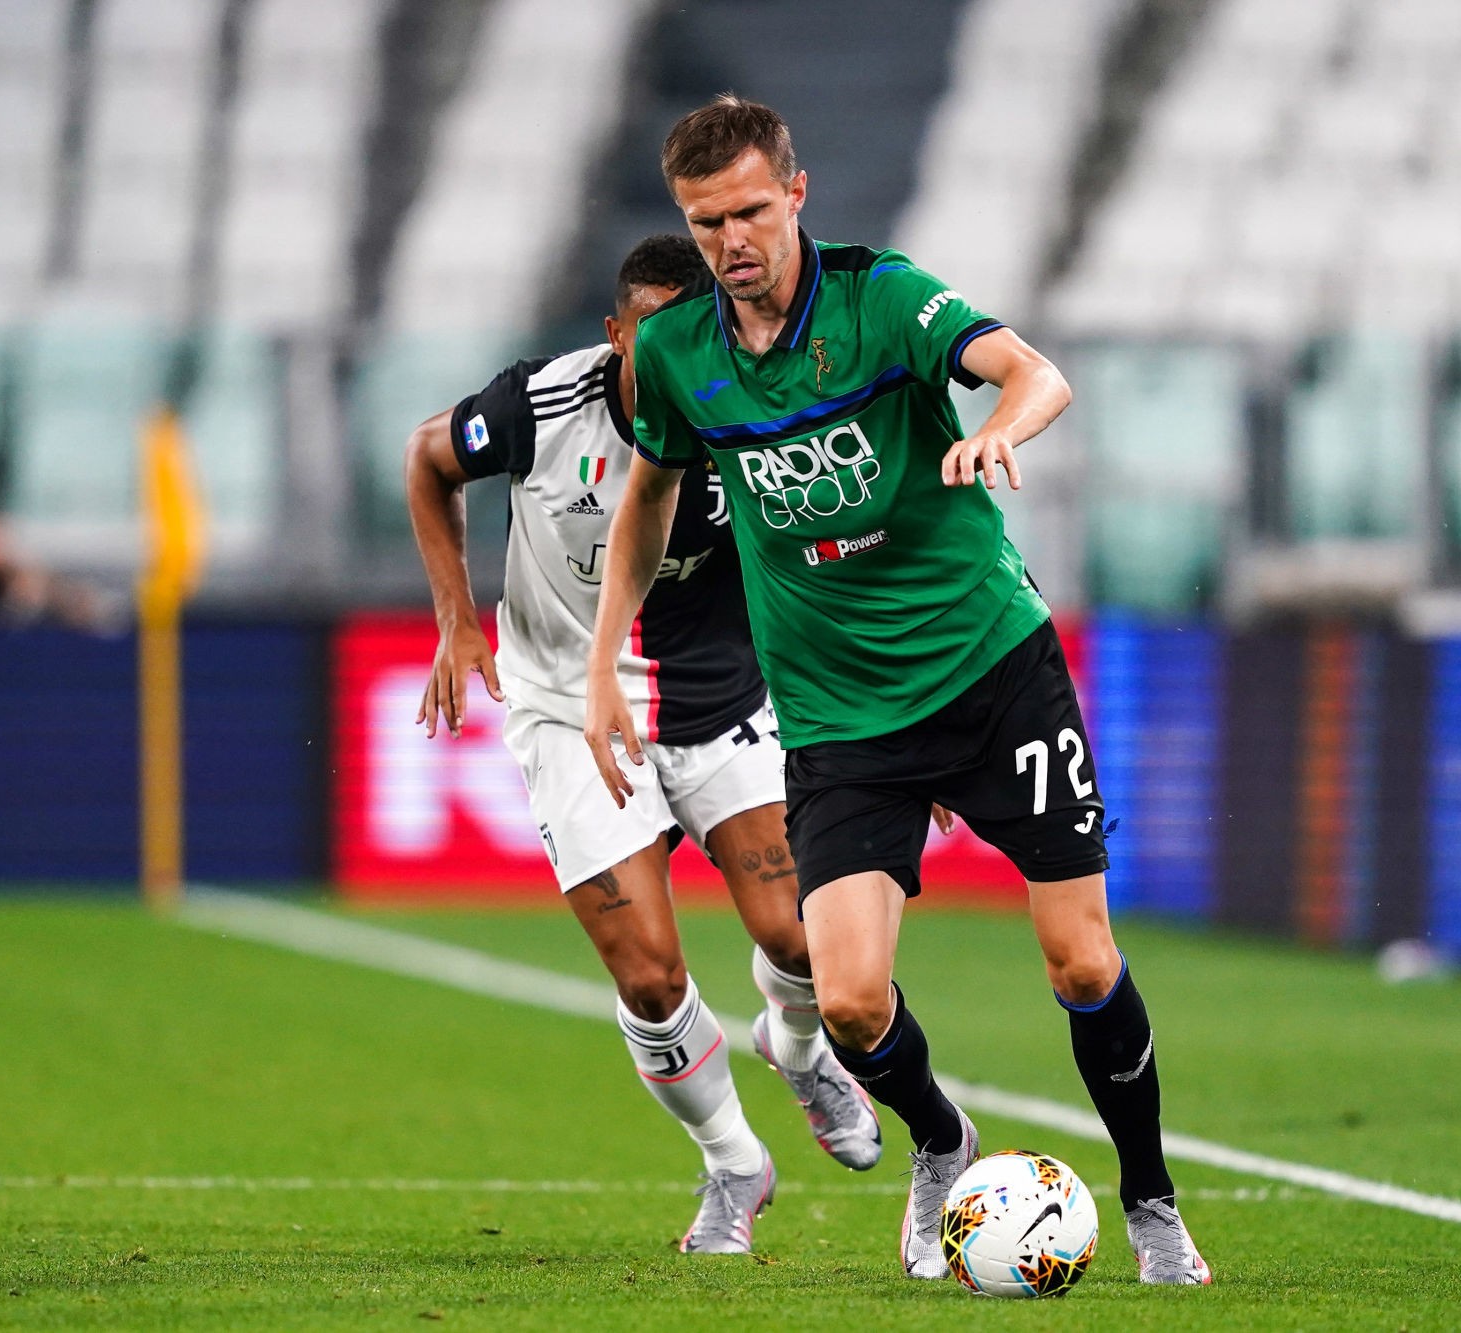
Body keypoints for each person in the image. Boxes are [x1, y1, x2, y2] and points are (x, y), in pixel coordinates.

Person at [582, 96, 1211, 1286]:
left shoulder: (882, 300)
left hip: (990, 672)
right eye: (707, 222)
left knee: (1080, 961)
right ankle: (941, 1143)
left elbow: (1033, 374)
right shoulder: (673, 354)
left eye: (752, 212)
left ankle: (1152, 1203)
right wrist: (603, 666)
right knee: (853, 1003)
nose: (732, 242)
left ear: (797, 194)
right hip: (835, 718)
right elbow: (649, 499)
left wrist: (994, 431)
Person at [405, 233, 882, 1255]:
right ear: (614, 335)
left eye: (694, 329)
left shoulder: (751, 404)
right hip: (570, 701)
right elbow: (427, 457)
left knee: (803, 937)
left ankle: (797, 1051)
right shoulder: (538, 405)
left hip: (717, 695)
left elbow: (835, 558)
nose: (677, 355)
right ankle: (732, 1164)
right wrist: (455, 616)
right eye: (652, 336)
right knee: (651, 975)